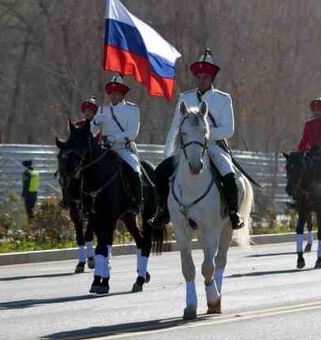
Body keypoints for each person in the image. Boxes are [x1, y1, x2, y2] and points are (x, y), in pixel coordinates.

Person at [157, 49, 244, 229]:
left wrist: (204, 134)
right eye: (198, 77)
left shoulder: (223, 99)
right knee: (159, 172)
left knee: (228, 175)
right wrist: (168, 155)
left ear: (211, 79)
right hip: (187, 148)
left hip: (213, 146)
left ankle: (234, 213)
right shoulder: (185, 98)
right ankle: (162, 211)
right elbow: (175, 128)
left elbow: (229, 130)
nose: (201, 80)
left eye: (205, 77)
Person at [94, 76, 145, 213]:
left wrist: (114, 138)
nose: (113, 96)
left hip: (123, 149)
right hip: (105, 150)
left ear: (122, 94)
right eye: (111, 93)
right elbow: (92, 133)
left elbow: (133, 132)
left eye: (116, 93)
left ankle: (137, 202)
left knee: (134, 171)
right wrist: (95, 122)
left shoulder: (132, 110)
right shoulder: (102, 110)